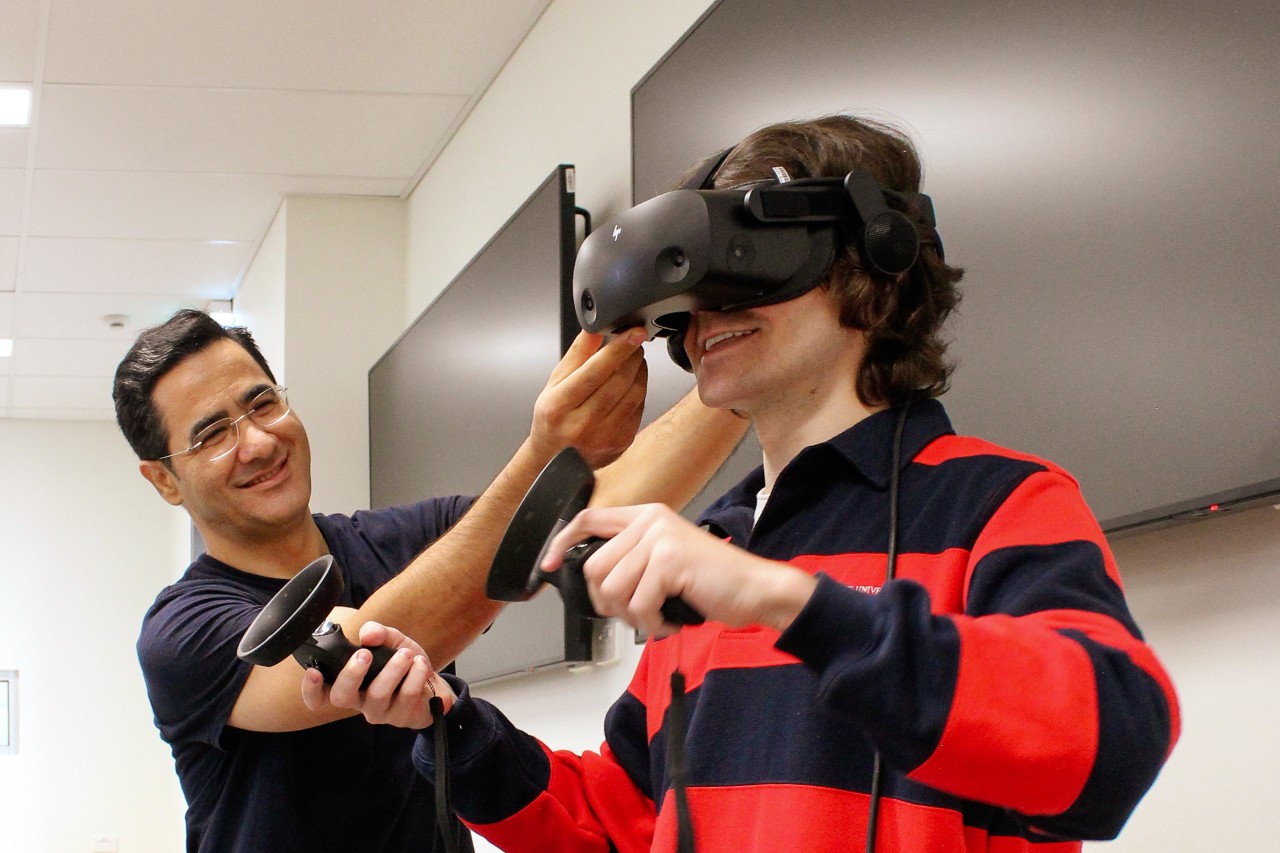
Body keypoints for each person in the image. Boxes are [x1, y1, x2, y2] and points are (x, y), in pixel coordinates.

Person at [308, 115, 1181, 852]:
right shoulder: (714, 544)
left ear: (871, 261)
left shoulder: (998, 504)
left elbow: (1114, 745)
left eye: (748, 264)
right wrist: (452, 725)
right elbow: (628, 820)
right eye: (695, 290)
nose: (710, 311)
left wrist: (784, 600)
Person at [113, 308, 748, 853]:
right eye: (213, 435)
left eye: (262, 403)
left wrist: (743, 373)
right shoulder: (180, 631)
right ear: (164, 479)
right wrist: (539, 457)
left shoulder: (404, 540)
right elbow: (348, 660)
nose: (256, 442)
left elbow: (595, 506)